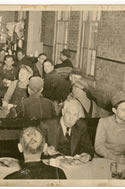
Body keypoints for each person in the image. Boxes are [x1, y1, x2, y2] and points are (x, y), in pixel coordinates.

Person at [95, 90, 125, 164]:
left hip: (121, 160)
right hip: (103, 159)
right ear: (114, 110)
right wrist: (115, 158)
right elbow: (98, 147)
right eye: (123, 110)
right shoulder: (104, 123)